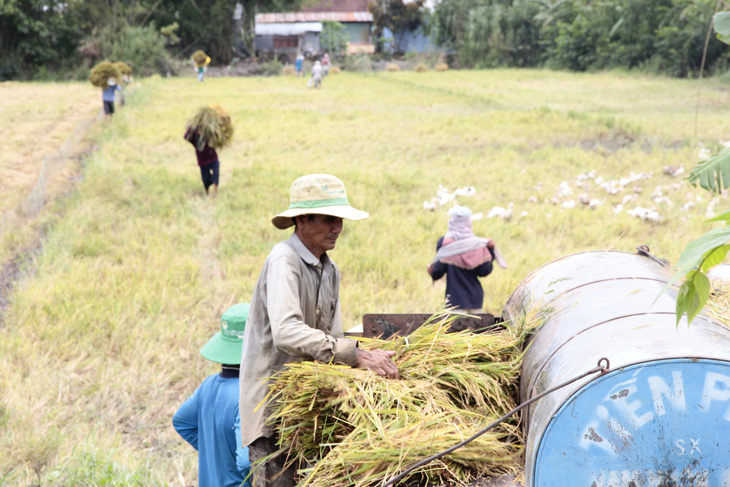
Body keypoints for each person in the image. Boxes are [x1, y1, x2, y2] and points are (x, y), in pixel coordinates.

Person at [239, 174, 400, 487]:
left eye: (339, 220)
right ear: (302, 220)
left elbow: (334, 334)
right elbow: (286, 332)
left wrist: (360, 368)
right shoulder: (284, 261)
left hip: (309, 408)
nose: (337, 228)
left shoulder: (330, 268)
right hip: (275, 411)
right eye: (329, 219)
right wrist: (355, 354)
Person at [173, 303, 253, 487]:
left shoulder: (207, 386)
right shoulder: (246, 397)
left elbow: (182, 422)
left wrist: (216, 455)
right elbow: (245, 462)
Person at [427, 206, 500, 313]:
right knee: (475, 329)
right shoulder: (476, 245)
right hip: (475, 300)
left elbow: (438, 271)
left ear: (452, 221)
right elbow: (485, 271)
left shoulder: (445, 243)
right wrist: (491, 251)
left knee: (455, 330)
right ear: (468, 223)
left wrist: (431, 271)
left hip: (454, 301)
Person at [184, 127, 220, 197]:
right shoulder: (194, 138)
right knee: (205, 178)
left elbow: (217, 134)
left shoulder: (208, 133)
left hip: (212, 157)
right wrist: (191, 127)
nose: (199, 131)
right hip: (202, 161)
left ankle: (215, 192)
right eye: (198, 130)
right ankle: (208, 194)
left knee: (216, 173)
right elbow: (186, 137)